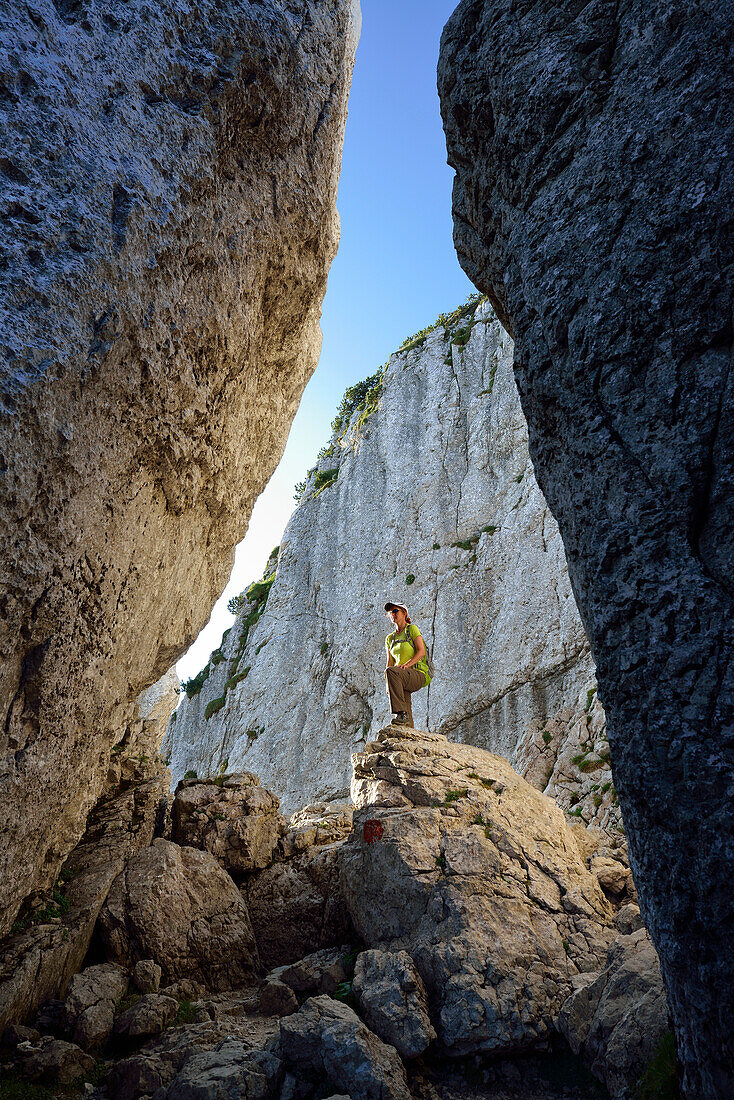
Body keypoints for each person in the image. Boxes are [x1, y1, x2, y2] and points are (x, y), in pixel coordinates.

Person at [384, 601, 432, 728]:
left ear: (404, 613)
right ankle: (408, 732)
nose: (392, 614)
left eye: (395, 611)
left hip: (417, 674)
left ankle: (401, 713)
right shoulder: (390, 639)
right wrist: (388, 684)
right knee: (405, 711)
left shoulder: (412, 629)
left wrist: (407, 664)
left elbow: (421, 651)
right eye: (390, 612)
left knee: (391, 672)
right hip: (400, 676)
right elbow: (390, 662)